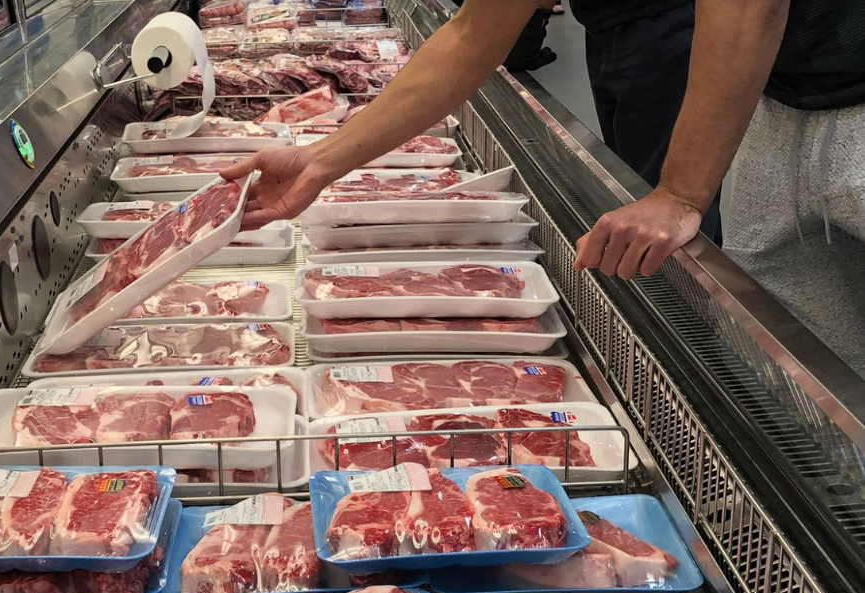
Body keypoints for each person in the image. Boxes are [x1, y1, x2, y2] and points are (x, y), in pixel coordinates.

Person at [220, 0, 865, 372]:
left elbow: (748, 6)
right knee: (812, 375)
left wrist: (679, 194)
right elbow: (473, 33)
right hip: (778, 102)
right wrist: (321, 162)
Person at [574, 0, 722, 244]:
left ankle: (681, 268)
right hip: (604, 25)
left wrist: (680, 196)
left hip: (662, 20)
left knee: (668, 211)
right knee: (632, 186)